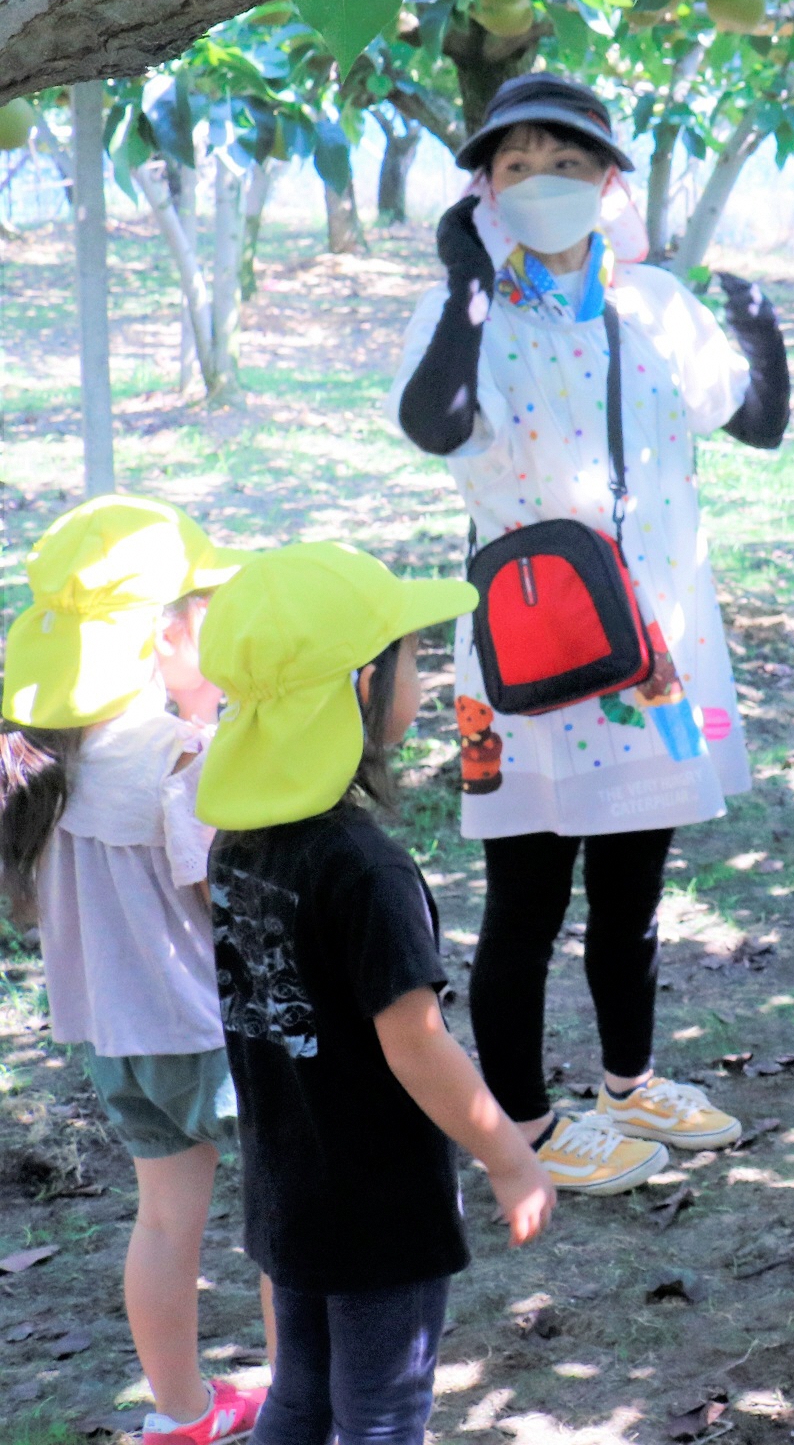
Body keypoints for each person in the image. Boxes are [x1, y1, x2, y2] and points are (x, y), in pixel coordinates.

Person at [392, 72, 787, 1193]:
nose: (542, 185)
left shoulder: (653, 302)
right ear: (483, 185)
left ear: (608, 179)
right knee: (527, 888)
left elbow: (751, 418)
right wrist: (470, 284)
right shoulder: (465, 307)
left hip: (654, 640)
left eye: (566, 164)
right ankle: (524, 1114)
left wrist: (762, 327)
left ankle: (628, 1076)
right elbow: (435, 424)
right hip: (525, 644)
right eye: (516, 165)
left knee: (634, 879)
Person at [196, 543, 558, 1445]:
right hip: (377, 1199)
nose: (426, 683)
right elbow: (416, 1043)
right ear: (363, 687)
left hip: (287, 1182)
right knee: (384, 1411)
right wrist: (510, 1156)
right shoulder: (367, 870)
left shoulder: (235, 844)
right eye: (413, 659)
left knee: (301, 1393)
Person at [1, 497, 263, 1445]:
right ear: (163, 635)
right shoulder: (178, 758)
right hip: (206, 1033)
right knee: (281, 1221)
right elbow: (217, 902)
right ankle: (307, 1400)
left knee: (163, 1222)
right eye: (202, 607)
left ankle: (181, 1414)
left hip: (115, 1040)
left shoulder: (40, 765)